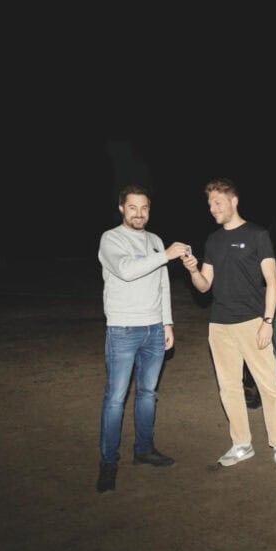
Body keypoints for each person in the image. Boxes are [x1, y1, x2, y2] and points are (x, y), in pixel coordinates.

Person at [181, 178, 276, 471]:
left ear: (234, 201)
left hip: (252, 322)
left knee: (268, 387)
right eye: (209, 204)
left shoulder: (258, 235)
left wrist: (268, 321)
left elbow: (272, 281)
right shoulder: (213, 240)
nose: (212, 209)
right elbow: (205, 286)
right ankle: (242, 444)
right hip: (219, 326)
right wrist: (194, 271)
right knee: (228, 387)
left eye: (217, 202)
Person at [96, 183, 191, 493]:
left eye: (145, 208)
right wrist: (165, 254)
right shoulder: (111, 239)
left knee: (148, 393)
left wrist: (167, 323)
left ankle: (144, 450)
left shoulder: (154, 240)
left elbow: (162, 283)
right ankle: (108, 462)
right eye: (133, 207)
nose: (139, 213)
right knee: (115, 398)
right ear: (122, 208)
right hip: (123, 329)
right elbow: (126, 270)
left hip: (153, 329)